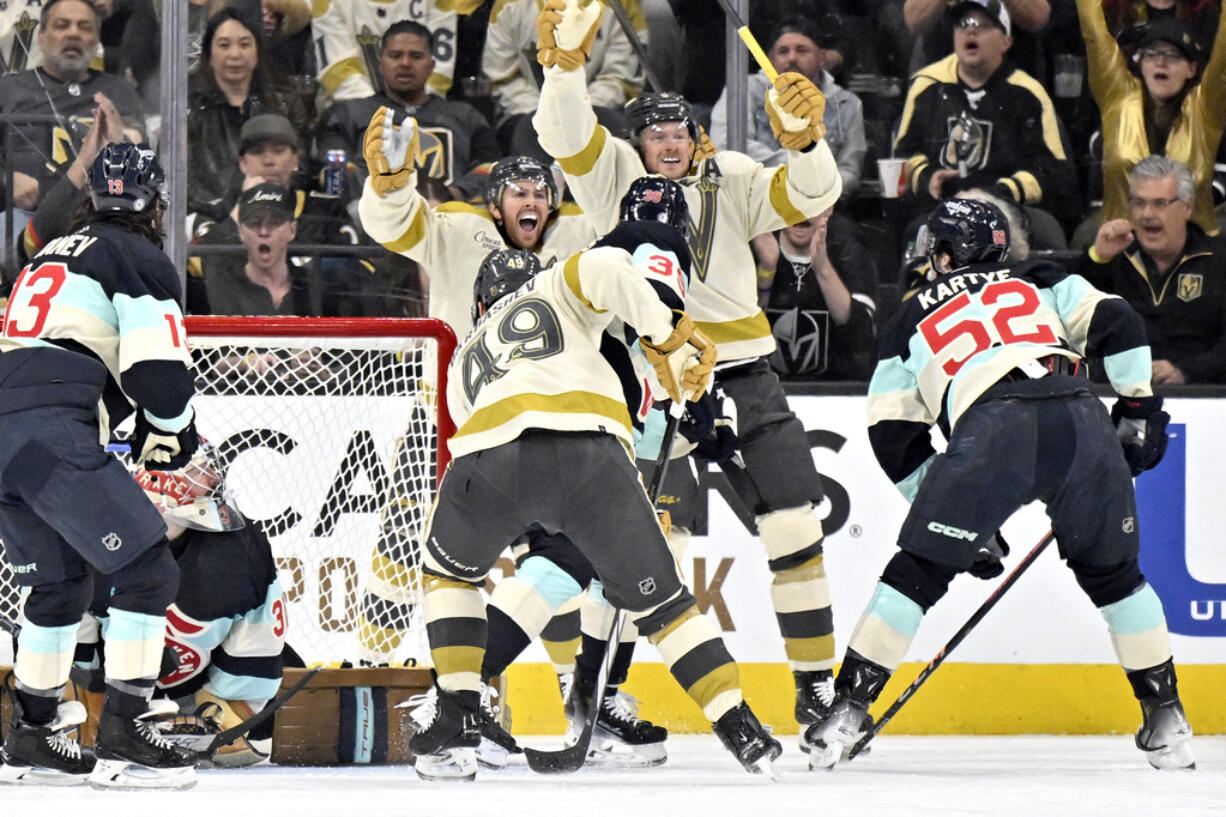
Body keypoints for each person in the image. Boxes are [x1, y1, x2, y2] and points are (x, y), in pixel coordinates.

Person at [530, 0, 845, 742]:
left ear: (697, 139)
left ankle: (816, 690)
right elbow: (561, 132)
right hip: (645, 381)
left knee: (795, 527)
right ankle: (599, 694)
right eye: (653, 135)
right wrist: (563, 69)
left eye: (678, 134)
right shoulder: (611, 180)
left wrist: (805, 144)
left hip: (741, 373)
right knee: (637, 546)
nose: (666, 146)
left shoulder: (732, 174)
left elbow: (810, 196)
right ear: (636, 142)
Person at [805, 197, 1195, 773]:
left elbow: (892, 431)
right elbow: (1119, 322)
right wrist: (1137, 406)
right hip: (1079, 417)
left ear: (944, 253)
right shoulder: (1040, 279)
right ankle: (1167, 719)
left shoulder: (909, 316)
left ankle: (846, 711)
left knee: (917, 574)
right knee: (1117, 580)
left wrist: (944, 505)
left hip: (993, 427)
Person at [406, 240, 781, 782]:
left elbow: (475, 432)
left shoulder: (464, 355)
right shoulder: (554, 283)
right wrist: (667, 333)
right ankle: (740, 727)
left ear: (481, 307)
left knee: (450, 576)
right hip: (591, 455)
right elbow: (605, 266)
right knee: (668, 608)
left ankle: (457, 710)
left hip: (487, 457)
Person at [0, 142, 199, 789]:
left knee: (59, 586)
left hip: (7, 432)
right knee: (147, 568)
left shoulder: (51, 250)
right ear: (156, 204)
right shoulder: (138, 255)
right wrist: (173, 434)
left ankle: (31, 731)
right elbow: (159, 375)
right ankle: (126, 731)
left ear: (90, 199)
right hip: (51, 428)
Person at [76, 443, 286, 768]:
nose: (214, 476)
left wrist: (227, 710)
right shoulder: (94, 540)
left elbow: (259, 638)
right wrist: (91, 710)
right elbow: (72, 630)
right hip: (116, 692)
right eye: (196, 469)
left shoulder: (238, 550)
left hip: (197, 694)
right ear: (159, 484)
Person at [358, 120, 598, 336]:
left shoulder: (577, 229)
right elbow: (395, 228)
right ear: (495, 207)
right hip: (457, 381)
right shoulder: (459, 229)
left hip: (548, 379)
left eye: (539, 195)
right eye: (519, 193)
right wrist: (391, 191)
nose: (531, 201)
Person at [893, 0, 1078, 241]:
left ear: (1006, 41)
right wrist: (928, 178)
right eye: (963, 24)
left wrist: (1000, 192)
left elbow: (1053, 170)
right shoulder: (927, 86)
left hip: (1007, 207)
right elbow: (903, 155)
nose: (971, 31)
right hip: (942, 206)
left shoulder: (1028, 93)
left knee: (1045, 231)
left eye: (984, 25)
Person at [1076, 2, 1226, 237]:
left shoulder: (1205, 110)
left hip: (1194, 254)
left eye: (1174, 55)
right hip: (1121, 247)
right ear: (1139, 63)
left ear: (1192, 69)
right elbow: (1094, 33)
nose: (1161, 61)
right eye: (1152, 53)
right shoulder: (1118, 98)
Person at [1079, 156, 1226, 384]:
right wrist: (1098, 258)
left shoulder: (1218, 260)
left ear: (1187, 207)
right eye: (1139, 203)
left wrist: (1184, 372)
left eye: (1160, 203)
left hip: (1202, 397)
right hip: (1119, 393)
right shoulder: (1116, 257)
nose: (1146, 214)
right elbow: (1072, 322)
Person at [317, 20, 501, 202]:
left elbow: (492, 167)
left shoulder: (465, 116)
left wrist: (456, 193)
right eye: (395, 55)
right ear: (381, 65)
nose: (405, 63)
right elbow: (336, 169)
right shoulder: (349, 113)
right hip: (374, 217)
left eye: (416, 56)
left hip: (449, 217)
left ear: (431, 66)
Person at [0, 0, 145, 211]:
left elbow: (139, 163)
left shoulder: (118, 91)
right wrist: (6, 179)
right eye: (61, 25)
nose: (73, 34)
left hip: (99, 220)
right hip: (22, 221)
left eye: (85, 27)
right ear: (41, 37)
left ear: (97, 41)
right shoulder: (8, 90)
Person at [710, 16, 867, 200]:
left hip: (819, 206)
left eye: (802, 50)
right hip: (756, 200)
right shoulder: (744, 89)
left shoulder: (847, 104)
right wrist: (799, 171)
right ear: (770, 59)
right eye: (783, 51)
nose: (792, 58)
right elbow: (728, 146)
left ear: (821, 58)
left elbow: (850, 171)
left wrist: (821, 188)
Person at [186, 7, 310, 217]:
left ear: (257, 53)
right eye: (224, 45)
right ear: (209, 55)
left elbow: (303, 169)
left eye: (245, 44)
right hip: (212, 224)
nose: (235, 54)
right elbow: (187, 190)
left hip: (279, 215)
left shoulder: (285, 104)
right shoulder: (189, 113)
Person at [481, 0, 644, 160]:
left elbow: (621, 79)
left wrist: (579, 109)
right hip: (527, 110)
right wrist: (545, 111)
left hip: (599, 109)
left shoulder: (622, 5)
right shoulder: (509, 5)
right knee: (526, 133)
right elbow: (503, 77)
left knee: (615, 131)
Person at [752, 207, 878, 381]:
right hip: (767, 391)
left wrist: (823, 268)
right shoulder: (758, 245)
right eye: (792, 202)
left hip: (834, 392)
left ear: (828, 209)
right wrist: (766, 269)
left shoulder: (850, 248)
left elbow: (861, 337)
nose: (801, 212)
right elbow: (745, 331)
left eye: (808, 202)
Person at [310, 0, 463, 102]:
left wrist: (414, 108)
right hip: (350, 111)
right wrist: (378, 113)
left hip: (422, 110)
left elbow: (437, 72)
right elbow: (338, 70)